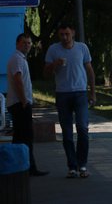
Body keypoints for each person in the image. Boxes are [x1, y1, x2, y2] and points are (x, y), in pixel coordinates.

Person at [44, 23, 96, 179]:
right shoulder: (53, 49)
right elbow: (45, 73)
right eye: (61, 34)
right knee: (66, 134)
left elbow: (90, 70)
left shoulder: (82, 48)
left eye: (67, 34)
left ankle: (83, 165)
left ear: (73, 33)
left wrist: (92, 93)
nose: (64, 37)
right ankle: (72, 166)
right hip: (63, 94)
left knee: (82, 128)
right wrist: (54, 64)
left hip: (80, 93)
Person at [6, 33, 48, 176]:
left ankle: (16, 167)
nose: (27, 45)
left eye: (29, 43)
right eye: (24, 43)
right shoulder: (17, 59)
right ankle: (29, 168)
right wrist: (24, 101)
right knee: (26, 137)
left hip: (19, 103)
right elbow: (18, 81)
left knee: (19, 137)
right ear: (17, 44)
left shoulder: (20, 59)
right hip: (19, 104)